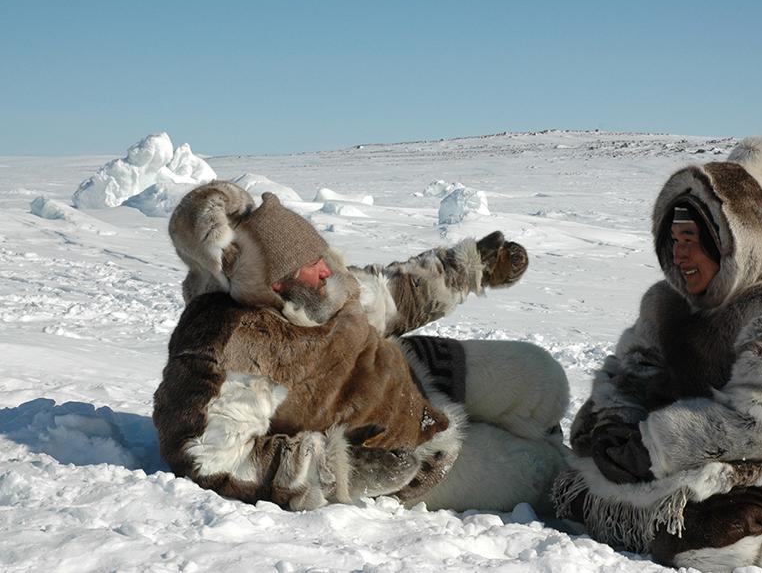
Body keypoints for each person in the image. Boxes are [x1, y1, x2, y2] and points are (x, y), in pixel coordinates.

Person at [553, 137, 762, 572]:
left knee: (724, 528)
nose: (679, 253)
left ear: (731, 242)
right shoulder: (666, 303)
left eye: (690, 238)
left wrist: (654, 446)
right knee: (568, 489)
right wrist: (613, 426)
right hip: (692, 466)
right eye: (672, 239)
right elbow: (629, 376)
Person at [154, 181, 569, 514]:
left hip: (413, 372)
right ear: (269, 285)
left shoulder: (318, 286)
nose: (325, 269)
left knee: (541, 375)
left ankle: (538, 429)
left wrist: (473, 265)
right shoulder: (231, 347)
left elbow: (392, 292)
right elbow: (207, 458)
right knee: (544, 472)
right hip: (404, 448)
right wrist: (341, 469)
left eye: (318, 253)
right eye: (308, 264)